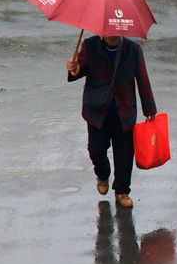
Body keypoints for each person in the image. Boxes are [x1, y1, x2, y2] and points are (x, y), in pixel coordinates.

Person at [67, 34, 158, 209]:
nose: (112, 34)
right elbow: (79, 71)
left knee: (125, 154)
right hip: (97, 111)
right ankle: (102, 174)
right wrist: (73, 68)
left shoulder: (133, 49)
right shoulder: (90, 45)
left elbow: (142, 78)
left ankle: (122, 191)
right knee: (96, 149)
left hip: (124, 111)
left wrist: (150, 109)